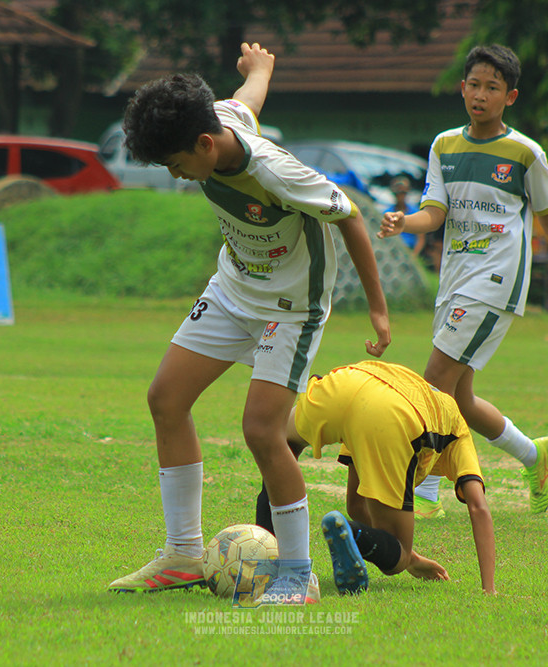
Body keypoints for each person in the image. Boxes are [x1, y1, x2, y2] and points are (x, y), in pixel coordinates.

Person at [107, 43, 391, 598]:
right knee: (166, 399)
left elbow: (351, 216)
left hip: (290, 308)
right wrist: (261, 68)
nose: (177, 175)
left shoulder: (276, 172)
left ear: (204, 143)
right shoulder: (218, 121)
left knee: (262, 430)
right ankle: (183, 555)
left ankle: (299, 575)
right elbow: (246, 99)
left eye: (176, 164)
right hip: (233, 289)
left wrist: (378, 307)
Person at [379, 44, 548, 514]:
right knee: (461, 397)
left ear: (509, 97)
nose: (480, 94)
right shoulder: (443, 145)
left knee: (434, 381)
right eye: (474, 84)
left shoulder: (524, 153)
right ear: (462, 88)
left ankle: (424, 492)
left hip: (495, 281)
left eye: (492, 87)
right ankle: (534, 455)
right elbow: (434, 213)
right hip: (455, 278)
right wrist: (404, 222)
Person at [284, 360, 495, 594]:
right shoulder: (459, 432)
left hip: (348, 381)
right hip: (394, 413)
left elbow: (356, 505)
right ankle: (352, 532)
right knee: (399, 556)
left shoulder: (430, 398)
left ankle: (272, 562)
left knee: (277, 444)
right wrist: (489, 589)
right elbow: (478, 507)